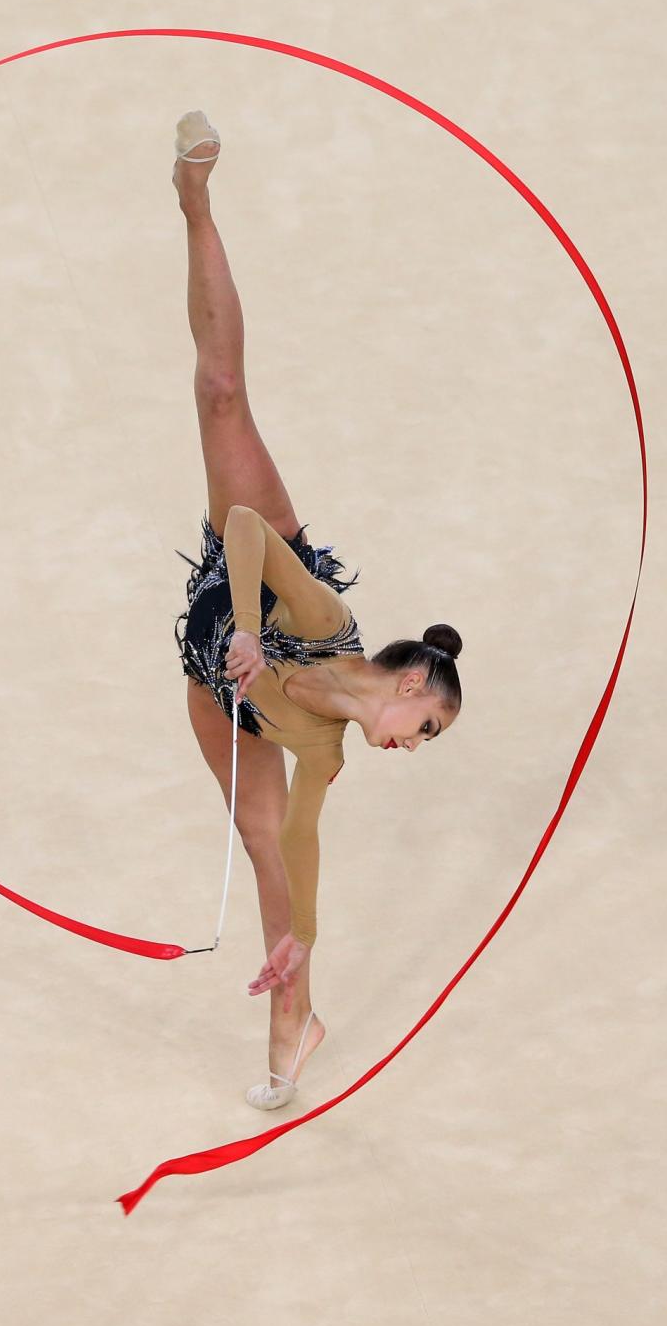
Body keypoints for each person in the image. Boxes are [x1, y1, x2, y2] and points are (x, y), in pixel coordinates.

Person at [170, 111, 462, 1107]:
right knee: (218, 390)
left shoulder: (330, 754)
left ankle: (293, 1011)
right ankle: (196, 204)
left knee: (264, 846)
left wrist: (301, 934)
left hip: (217, 685)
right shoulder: (331, 624)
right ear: (409, 683)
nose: (409, 748)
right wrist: (252, 626)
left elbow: (304, 840)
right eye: (422, 728)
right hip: (245, 583)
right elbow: (247, 524)